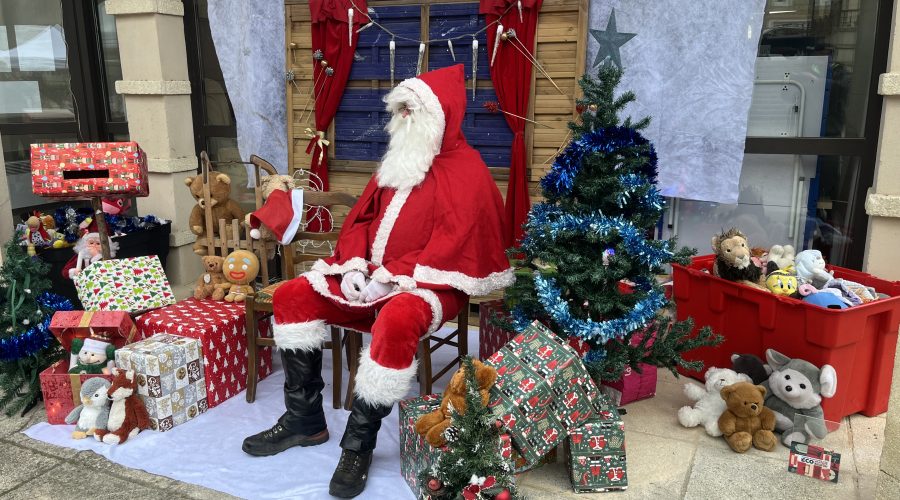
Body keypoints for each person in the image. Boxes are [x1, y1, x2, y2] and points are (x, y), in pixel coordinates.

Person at [241, 64, 512, 498]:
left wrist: (393, 279)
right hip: (370, 275)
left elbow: (455, 241)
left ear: (441, 115)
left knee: (398, 318)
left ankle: (358, 445)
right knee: (293, 294)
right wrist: (352, 265)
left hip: (433, 284)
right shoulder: (397, 162)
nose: (403, 117)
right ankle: (304, 420)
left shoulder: (469, 171)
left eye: (412, 109)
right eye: (399, 109)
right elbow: (361, 221)